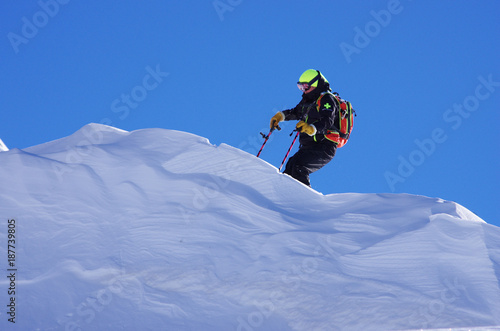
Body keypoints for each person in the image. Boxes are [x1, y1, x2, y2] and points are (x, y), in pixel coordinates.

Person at [269, 69, 339, 187]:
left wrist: (312, 128)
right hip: (309, 146)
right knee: (291, 165)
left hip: (324, 145)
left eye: (306, 86)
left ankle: (304, 200)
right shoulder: (309, 100)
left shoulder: (327, 99)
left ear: (316, 84)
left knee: (299, 166)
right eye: (300, 87)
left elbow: (327, 120)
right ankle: (283, 195)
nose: (304, 90)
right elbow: (296, 112)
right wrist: (280, 116)